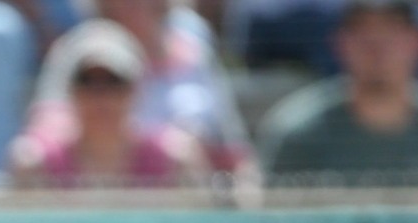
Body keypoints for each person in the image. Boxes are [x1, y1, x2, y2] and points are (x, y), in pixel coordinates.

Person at [258, 0, 418, 187]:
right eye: (362, 29)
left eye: (392, 28)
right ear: (339, 43)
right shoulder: (297, 134)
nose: (376, 44)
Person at [27, 0, 256, 178]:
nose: (102, 92)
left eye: (113, 83)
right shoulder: (75, 49)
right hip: (90, 188)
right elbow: (45, 131)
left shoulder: (194, 49)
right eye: (90, 82)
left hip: (192, 192)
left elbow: (233, 149)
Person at [10, 19, 210, 187]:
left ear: (136, 89)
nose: (101, 97)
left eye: (114, 81)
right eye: (86, 81)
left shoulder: (176, 160)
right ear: (69, 90)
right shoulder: (36, 164)